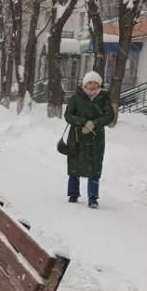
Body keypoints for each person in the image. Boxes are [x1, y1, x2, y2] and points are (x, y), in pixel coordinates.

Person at [64, 71, 114, 209]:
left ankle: (93, 197)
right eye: (90, 83)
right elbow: (68, 115)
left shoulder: (104, 98)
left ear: (99, 85)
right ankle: (73, 193)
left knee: (95, 166)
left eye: (95, 83)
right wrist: (83, 122)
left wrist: (94, 124)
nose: (92, 86)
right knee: (75, 164)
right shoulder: (76, 97)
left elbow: (110, 116)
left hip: (95, 138)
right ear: (85, 83)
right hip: (77, 136)